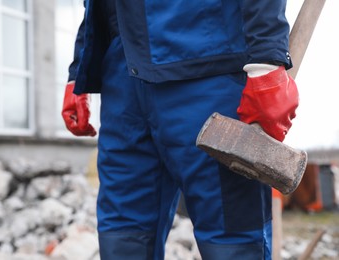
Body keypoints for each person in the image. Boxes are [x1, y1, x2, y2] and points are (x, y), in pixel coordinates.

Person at [61, 0, 299, 259]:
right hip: (122, 75)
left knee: (232, 238)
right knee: (122, 236)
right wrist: (79, 68)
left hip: (206, 59)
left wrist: (266, 60)